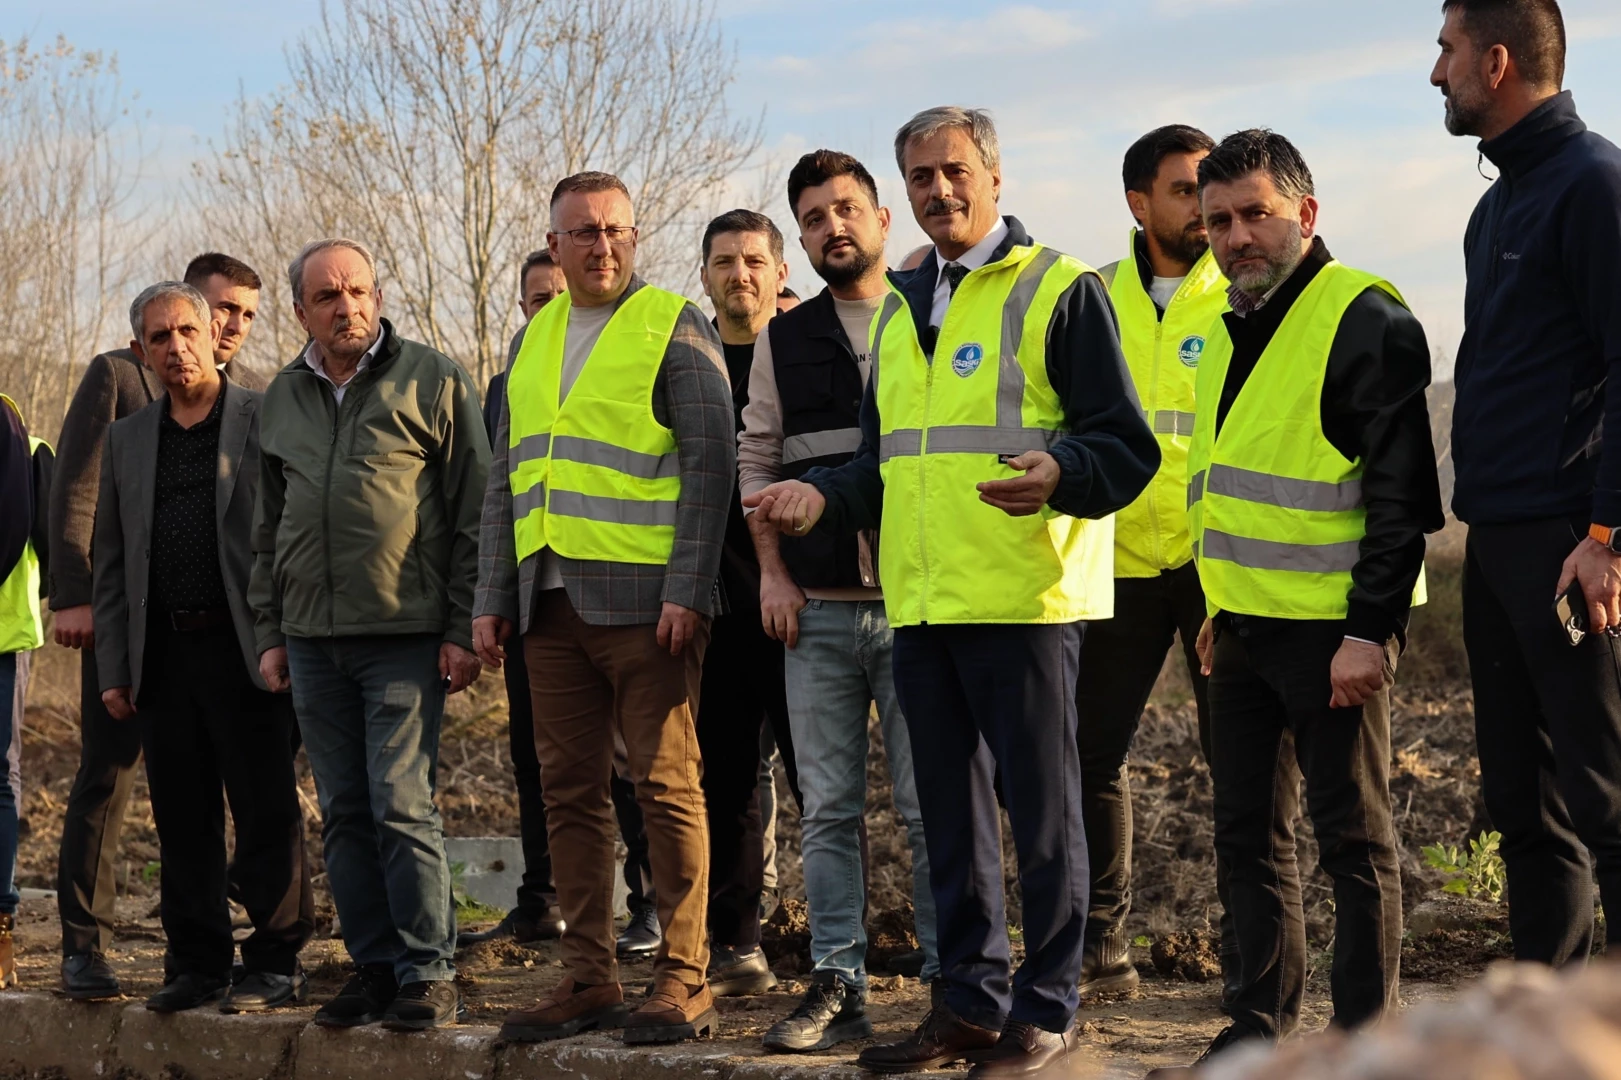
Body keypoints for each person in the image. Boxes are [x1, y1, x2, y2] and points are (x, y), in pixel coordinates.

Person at [748, 107, 1159, 1078]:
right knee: (949, 819)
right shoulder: (900, 307)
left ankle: (1048, 1008)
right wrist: (822, 494)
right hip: (923, 604)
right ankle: (969, 1002)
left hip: (1025, 598)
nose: (939, 189)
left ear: (994, 177)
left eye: (954, 170)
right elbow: (885, 464)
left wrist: (1061, 471)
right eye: (921, 176)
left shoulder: (1059, 288)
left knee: (1043, 818)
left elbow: (1122, 445)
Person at [1151, 130, 1443, 1075]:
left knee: (1352, 840)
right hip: (1239, 629)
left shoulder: (1364, 317)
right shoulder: (1226, 325)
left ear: (1304, 214)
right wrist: (1215, 607)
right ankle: (1256, 1029)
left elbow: (1401, 501)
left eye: (1255, 215)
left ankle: (1365, 1042)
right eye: (1218, 221)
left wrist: (1369, 631)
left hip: (1332, 632)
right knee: (1246, 837)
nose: (1235, 237)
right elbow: (1226, 487)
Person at [473, 171, 734, 1046]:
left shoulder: (672, 324)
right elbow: (505, 480)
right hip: (546, 606)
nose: (603, 245)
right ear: (554, 244)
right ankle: (588, 976)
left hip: (647, 606)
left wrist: (688, 588)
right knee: (569, 794)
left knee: (665, 787)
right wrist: (491, 597)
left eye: (616, 229)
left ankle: (685, 976)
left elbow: (710, 467)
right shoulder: (533, 338)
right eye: (583, 232)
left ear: (635, 236)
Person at [250, 237, 488, 1032]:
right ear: (301, 312)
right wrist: (270, 630)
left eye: (357, 291)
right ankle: (375, 966)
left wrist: (461, 625)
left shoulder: (433, 379)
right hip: (311, 641)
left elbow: (474, 513)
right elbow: (265, 529)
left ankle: (429, 970)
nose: (346, 307)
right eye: (327, 296)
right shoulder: (281, 397)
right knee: (345, 810)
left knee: (400, 803)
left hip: (404, 633)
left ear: (378, 297)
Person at [737, 149, 939, 1054]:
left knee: (932, 806)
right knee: (826, 811)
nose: (833, 228)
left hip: (919, 606)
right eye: (814, 218)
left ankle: (950, 981)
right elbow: (756, 460)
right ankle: (837, 984)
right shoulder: (783, 339)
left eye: (846, 210)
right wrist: (772, 574)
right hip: (815, 610)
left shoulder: (931, 317)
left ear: (881, 219)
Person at [1434, 0, 1621, 966]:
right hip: (1496, 539)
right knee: (1524, 804)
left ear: (1497, 61)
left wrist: (1605, 537)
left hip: (1569, 543)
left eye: (1447, 49)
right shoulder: (1495, 205)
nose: (1436, 72)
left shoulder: (1594, 184)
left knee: (1609, 800)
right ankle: (1549, 1021)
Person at [92, 282, 312, 1014]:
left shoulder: (265, 414)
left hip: (248, 647)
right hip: (162, 653)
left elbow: (293, 532)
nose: (177, 347)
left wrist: (285, 637)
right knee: (182, 818)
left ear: (212, 332)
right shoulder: (127, 438)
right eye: (159, 338)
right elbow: (112, 561)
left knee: (265, 809)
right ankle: (196, 964)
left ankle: (276, 961)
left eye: (187, 330)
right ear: (142, 351)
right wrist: (115, 668)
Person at [51, 251, 265, 1000]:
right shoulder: (118, 376)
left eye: (245, 314)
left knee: (239, 784)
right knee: (108, 776)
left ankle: (242, 942)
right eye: (223, 308)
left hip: (223, 638)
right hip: (126, 623)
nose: (232, 324)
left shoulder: (255, 398)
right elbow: (78, 490)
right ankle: (85, 946)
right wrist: (75, 595)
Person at [1076, 124, 1231, 998]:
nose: (1203, 206)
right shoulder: (1091, 296)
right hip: (1117, 559)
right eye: (1183, 190)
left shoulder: (1245, 287)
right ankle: (1102, 944)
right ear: (1138, 203)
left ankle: (1252, 947)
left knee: (1240, 756)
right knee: (1089, 752)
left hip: (1217, 566)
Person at [693, 207, 795, 998]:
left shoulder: (801, 355)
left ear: (779, 272)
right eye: (724, 262)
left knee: (821, 780)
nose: (740, 275)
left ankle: (843, 945)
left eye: (754, 261)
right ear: (704, 277)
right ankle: (735, 942)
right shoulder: (684, 365)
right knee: (724, 779)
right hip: (715, 605)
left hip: (801, 602)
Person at [462, 249, 570, 948]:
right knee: (532, 757)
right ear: (522, 308)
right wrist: (491, 597)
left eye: (558, 294)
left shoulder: (624, 357)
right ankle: (542, 900)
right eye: (537, 299)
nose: (549, 306)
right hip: (532, 601)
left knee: (625, 765)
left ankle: (648, 906)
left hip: (613, 596)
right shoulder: (505, 384)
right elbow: (494, 496)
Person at [0, 389, 50, 990]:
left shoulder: (27, 446)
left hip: (6, 637)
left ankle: (1, 924)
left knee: (0, 775)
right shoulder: (27, 442)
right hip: (9, 634)